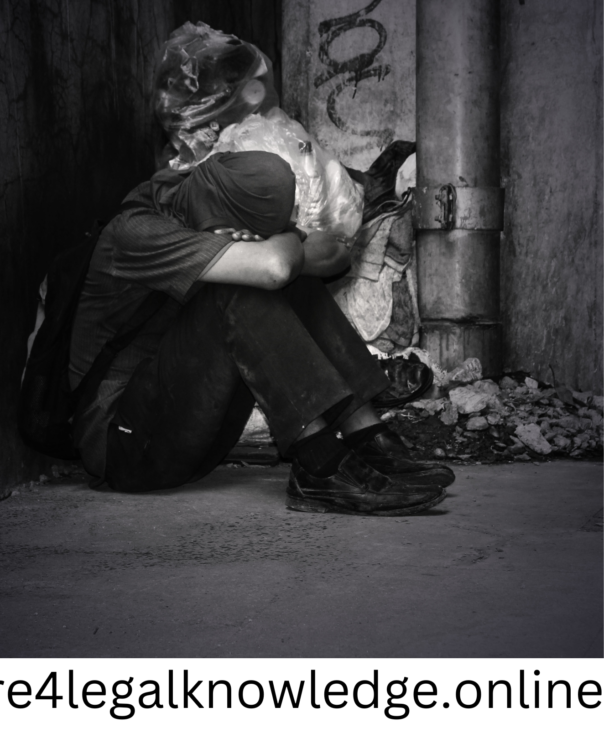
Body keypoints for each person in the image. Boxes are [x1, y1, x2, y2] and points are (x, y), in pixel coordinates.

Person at [69, 150, 454, 515]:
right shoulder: (136, 232)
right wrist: (283, 247)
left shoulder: (200, 194)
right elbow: (273, 267)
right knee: (247, 285)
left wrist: (284, 248)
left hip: (191, 430)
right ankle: (319, 466)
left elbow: (334, 251)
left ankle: (367, 435)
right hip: (126, 447)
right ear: (222, 225)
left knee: (292, 277)